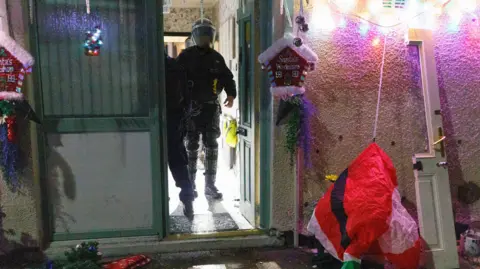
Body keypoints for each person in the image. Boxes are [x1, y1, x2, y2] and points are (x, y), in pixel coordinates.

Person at [176, 18, 236, 200]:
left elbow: (227, 77)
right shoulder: (185, 56)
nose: (204, 37)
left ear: (211, 36)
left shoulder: (216, 58)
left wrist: (231, 95)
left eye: (207, 34)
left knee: (212, 147)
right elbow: (174, 78)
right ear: (195, 36)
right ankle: (190, 185)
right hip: (191, 110)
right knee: (191, 147)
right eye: (201, 34)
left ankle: (210, 186)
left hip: (210, 109)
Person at [164, 50, 195, 219]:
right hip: (174, 121)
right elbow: (187, 98)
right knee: (178, 161)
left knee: (155, 164)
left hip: (159, 121)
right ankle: (188, 199)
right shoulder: (176, 66)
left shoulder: (148, 66)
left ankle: (161, 202)